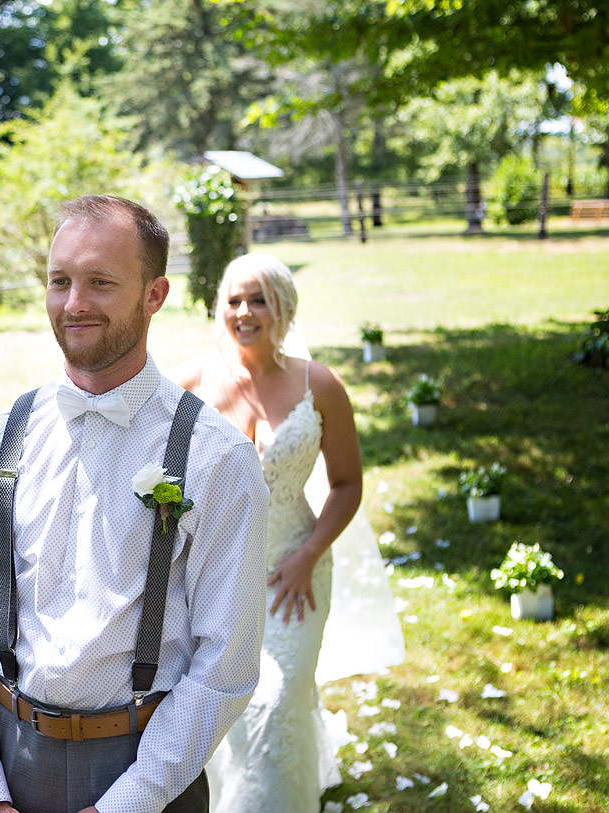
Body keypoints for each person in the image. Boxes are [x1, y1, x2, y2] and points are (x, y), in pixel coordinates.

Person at [0, 195, 269, 813]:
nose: (74, 303)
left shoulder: (217, 460)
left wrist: (130, 802)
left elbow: (226, 664)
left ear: (154, 294)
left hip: (151, 768)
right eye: (61, 281)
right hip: (9, 764)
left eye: (101, 283)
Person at [174, 252, 377, 813]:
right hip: (212, 574)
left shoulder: (321, 387)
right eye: (234, 300)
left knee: (279, 698)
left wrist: (307, 556)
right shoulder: (189, 383)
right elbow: (153, 477)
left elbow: (346, 484)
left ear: (282, 308)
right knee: (222, 707)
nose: (244, 311)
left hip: (294, 570)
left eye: (257, 299)